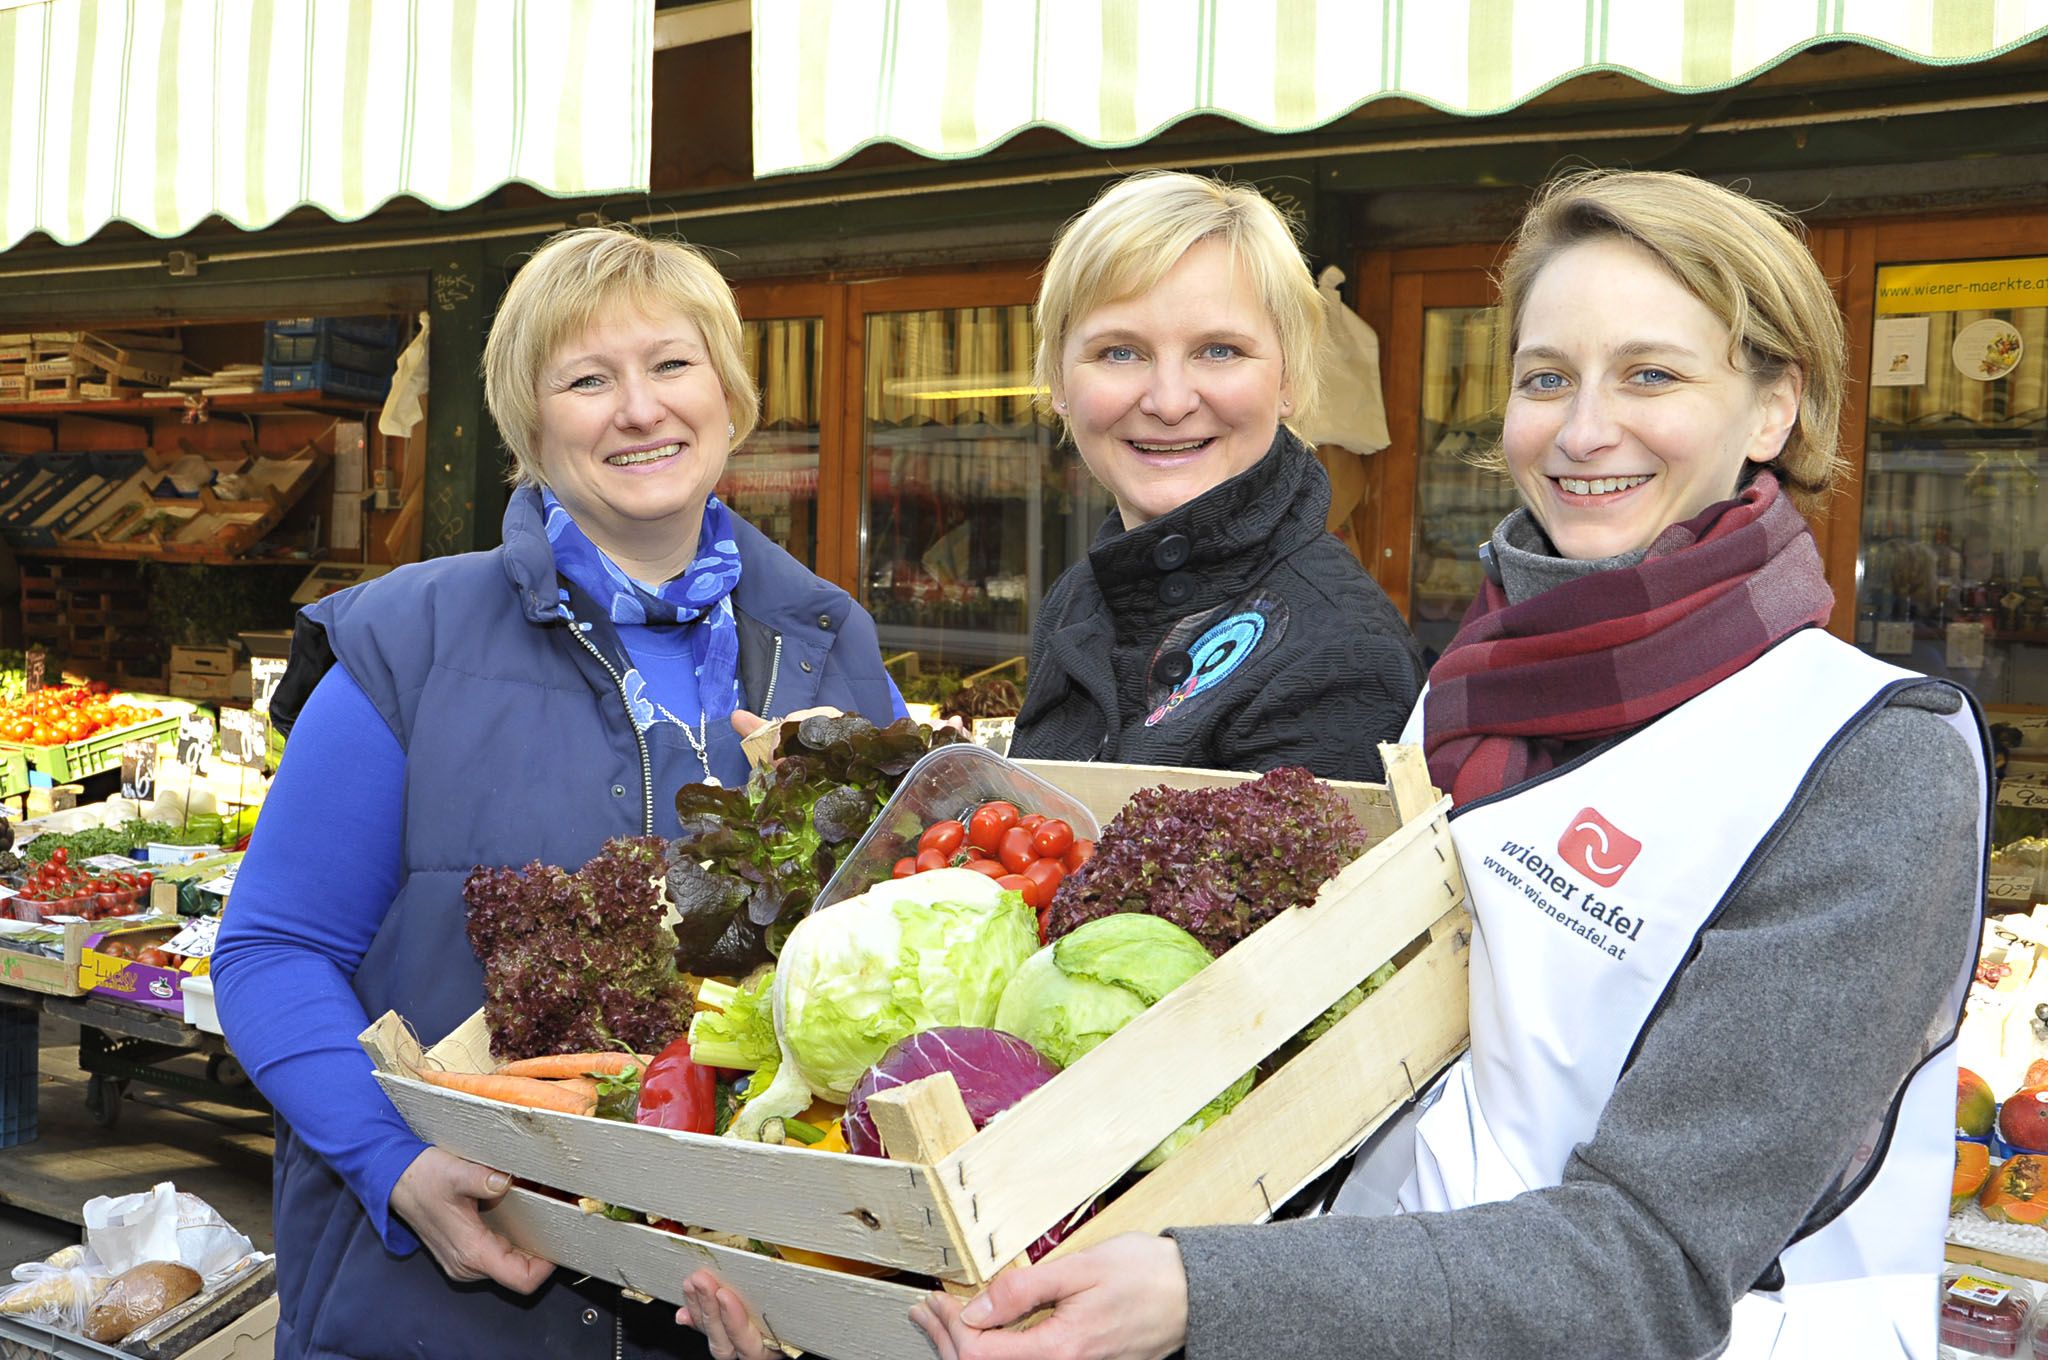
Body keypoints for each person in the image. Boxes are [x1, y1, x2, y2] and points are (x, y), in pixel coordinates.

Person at [684, 172, 1992, 1359]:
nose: (1587, 430)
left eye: (1651, 376)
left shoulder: (1865, 758)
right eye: (1546, 378)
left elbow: (1648, 1263)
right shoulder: (1466, 697)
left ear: (1775, 405)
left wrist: (1198, 1292)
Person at [211, 226, 906, 1360]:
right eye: (587, 379)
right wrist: (397, 1166)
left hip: (738, 1305)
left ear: (729, 392)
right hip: (443, 1312)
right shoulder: (406, 640)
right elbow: (272, 951)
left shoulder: (825, 643)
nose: (639, 410)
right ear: (530, 428)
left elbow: (882, 953)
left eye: (672, 365)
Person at [1005, 171, 1423, 782]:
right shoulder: (1080, 596)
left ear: (1289, 382)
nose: (1169, 402)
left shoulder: (1340, 657)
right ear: (1060, 383)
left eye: (1219, 350)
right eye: (1120, 352)